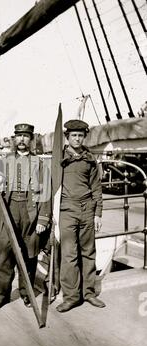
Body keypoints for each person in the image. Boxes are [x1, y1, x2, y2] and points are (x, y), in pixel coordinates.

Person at [0, 123, 51, 311]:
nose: (22, 140)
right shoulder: (5, 161)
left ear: (31, 140)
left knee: (29, 256)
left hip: (30, 211)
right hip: (9, 211)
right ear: (14, 139)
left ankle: (26, 293)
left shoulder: (40, 164)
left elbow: (46, 192)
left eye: (26, 136)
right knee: (6, 256)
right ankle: (2, 296)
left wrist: (43, 219)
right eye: (19, 136)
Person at [56, 120, 105, 313]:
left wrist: (98, 214)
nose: (77, 139)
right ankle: (71, 297)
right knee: (69, 255)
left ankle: (89, 293)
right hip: (67, 211)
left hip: (87, 211)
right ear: (67, 137)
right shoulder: (58, 159)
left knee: (88, 252)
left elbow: (96, 188)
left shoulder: (89, 158)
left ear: (84, 137)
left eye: (80, 135)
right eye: (73, 135)